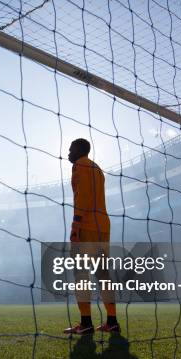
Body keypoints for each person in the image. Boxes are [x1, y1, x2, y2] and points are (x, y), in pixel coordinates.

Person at [64, 138, 120, 334]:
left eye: (71, 149)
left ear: (80, 150)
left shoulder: (80, 165)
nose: (68, 153)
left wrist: (76, 224)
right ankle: (112, 321)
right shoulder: (97, 168)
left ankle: (86, 323)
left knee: (81, 274)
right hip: (103, 225)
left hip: (86, 224)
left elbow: (83, 196)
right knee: (103, 274)